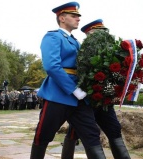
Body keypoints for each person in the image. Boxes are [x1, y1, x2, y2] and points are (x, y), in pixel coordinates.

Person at [30, 2, 106, 159]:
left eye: (78, 16)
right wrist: (73, 89)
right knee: (43, 136)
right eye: (74, 16)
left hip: (80, 98)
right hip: (58, 95)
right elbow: (52, 67)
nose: (78, 19)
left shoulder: (76, 42)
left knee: (92, 135)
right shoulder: (53, 37)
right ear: (62, 18)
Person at [61, 19, 131, 159]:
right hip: (86, 100)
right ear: (90, 34)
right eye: (98, 33)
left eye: (104, 32)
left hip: (104, 101)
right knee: (78, 133)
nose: (103, 36)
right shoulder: (82, 52)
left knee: (114, 129)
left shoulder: (114, 53)